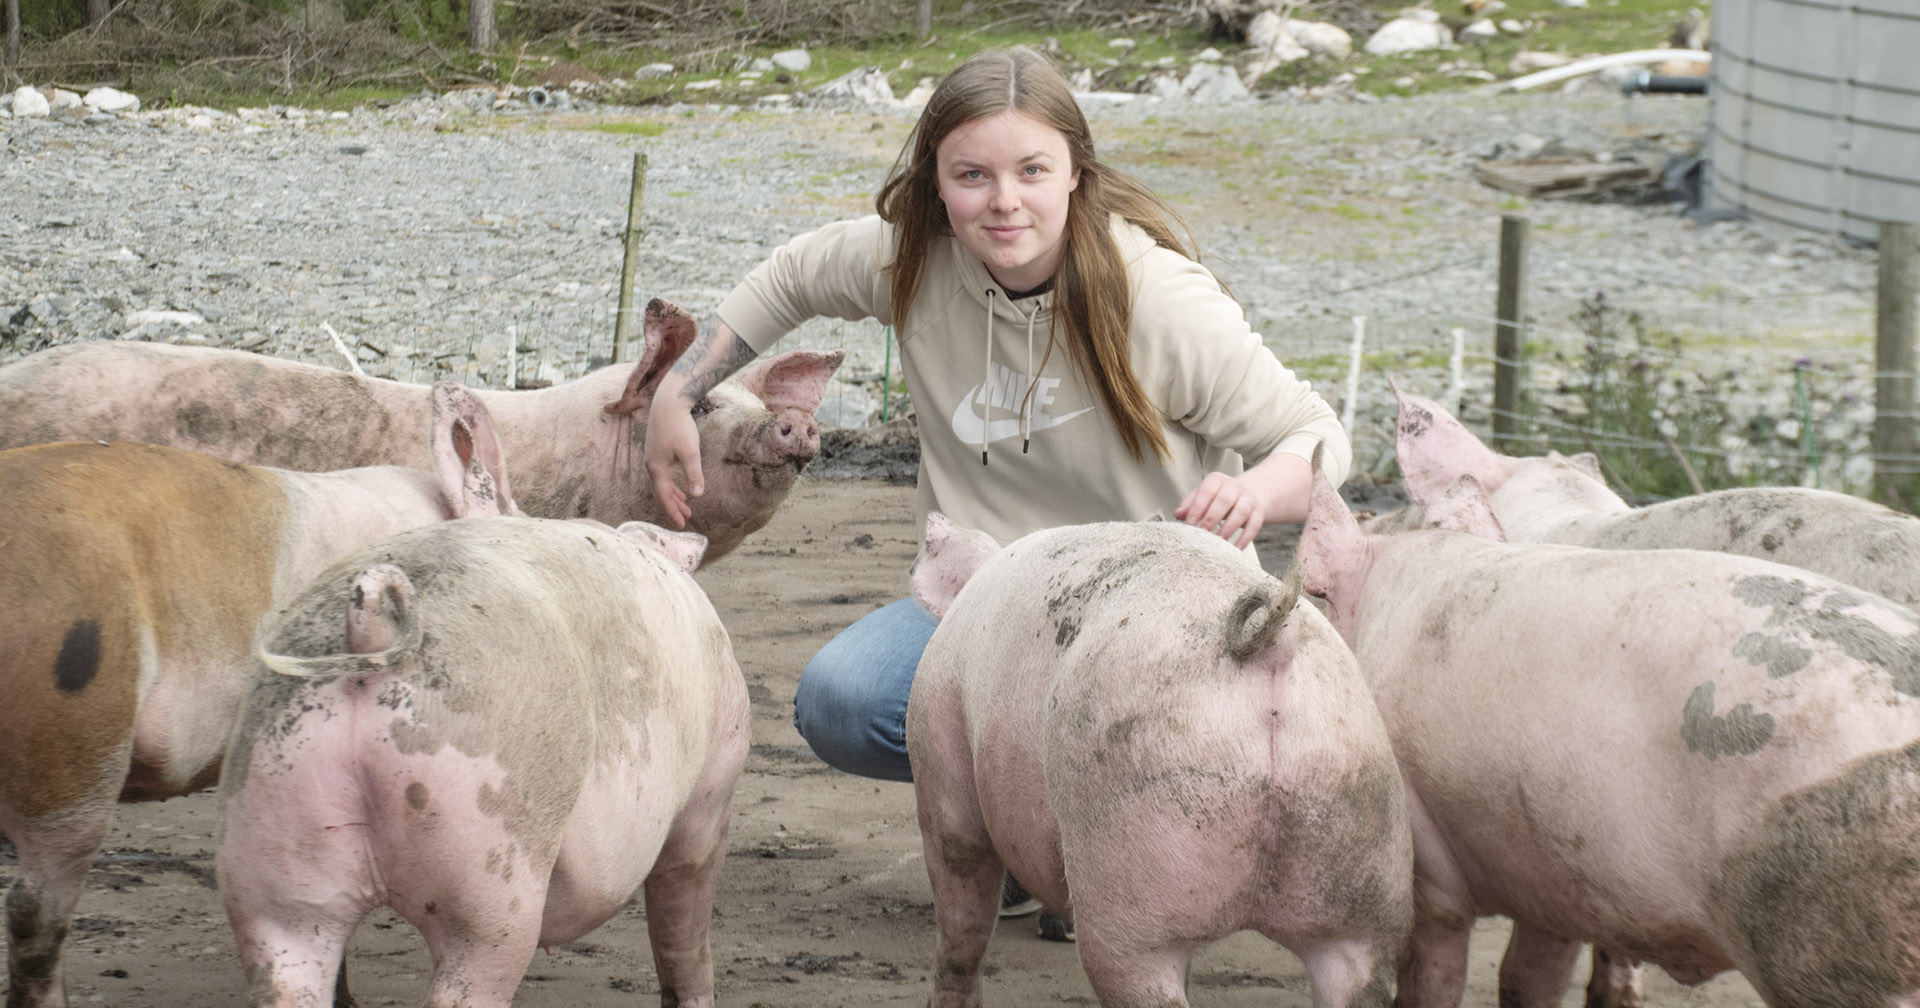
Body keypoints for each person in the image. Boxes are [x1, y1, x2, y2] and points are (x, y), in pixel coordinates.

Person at [645, 40, 1349, 809]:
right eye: (972, 175)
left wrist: (1254, 491)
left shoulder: (1158, 300)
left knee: (1169, 731)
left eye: (1032, 171)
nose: (1003, 200)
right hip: (984, 602)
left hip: (1155, 613)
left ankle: (1102, 829)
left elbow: (1315, 433)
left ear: (1077, 171)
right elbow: (789, 276)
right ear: (937, 186)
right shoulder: (916, 265)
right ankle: (1024, 831)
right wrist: (677, 393)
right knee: (843, 702)